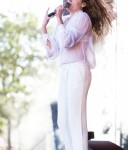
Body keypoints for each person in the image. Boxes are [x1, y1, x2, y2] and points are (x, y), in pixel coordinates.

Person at [42, 0, 113, 150]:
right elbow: (53, 51)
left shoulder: (82, 18)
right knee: (63, 120)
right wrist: (44, 29)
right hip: (65, 70)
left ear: (84, 4)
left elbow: (68, 41)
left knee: (75, 119)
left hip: (78, 68)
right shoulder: (65, 21)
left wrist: (59, 19)